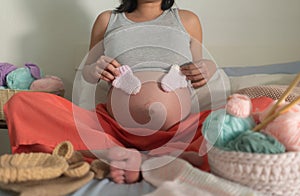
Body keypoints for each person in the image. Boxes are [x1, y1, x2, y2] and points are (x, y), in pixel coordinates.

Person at [4, 0, 218, 184]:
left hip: (180, 132)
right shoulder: (107, 20)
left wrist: (209, 68)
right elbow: (87, 75)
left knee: (243, 111)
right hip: (111, 133)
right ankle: (124, 155)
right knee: (21, 103)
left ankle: (150, 156)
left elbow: (198, 72)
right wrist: (94, 68)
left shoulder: (187, 20)